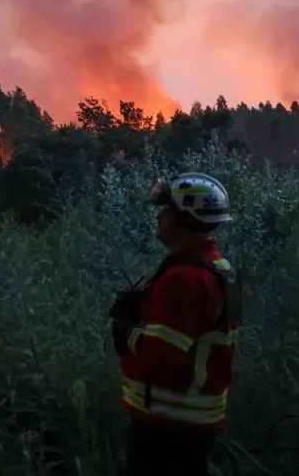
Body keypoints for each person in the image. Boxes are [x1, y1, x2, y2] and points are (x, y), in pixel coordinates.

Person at [109, 172, 243, 476]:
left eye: (166, 210)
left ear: (184, 218)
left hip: (168, 428)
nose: (160, 216)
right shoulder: (219, 269)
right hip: (193, 422)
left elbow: (161, 357)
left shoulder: (185, 279)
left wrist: (126, 331)